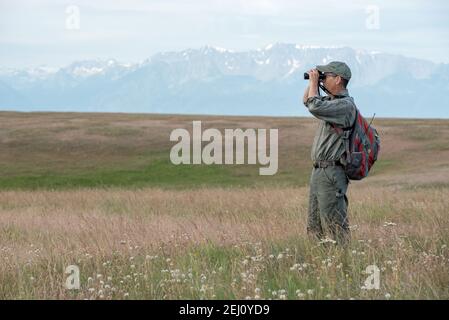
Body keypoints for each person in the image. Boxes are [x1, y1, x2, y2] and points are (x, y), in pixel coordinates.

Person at [302, 61, 356, 244]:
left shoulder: (345, 106)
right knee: (314, 225)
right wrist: (314, 82)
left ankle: (344, 262)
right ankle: (321, 264)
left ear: (339, 79)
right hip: (319, 171)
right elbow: (307, 101)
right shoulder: (332, 102)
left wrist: (314, 84)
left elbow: (313, 105)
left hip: (332, 172)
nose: (324, 79)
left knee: (334, 227)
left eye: (327, 76)